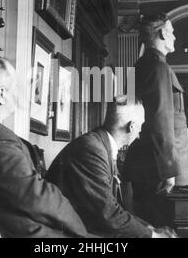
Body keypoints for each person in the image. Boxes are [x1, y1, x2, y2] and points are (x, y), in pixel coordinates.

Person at [0, 56, 88, 238]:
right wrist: (83, 235)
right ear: (1, 94)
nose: (19, 95)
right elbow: (37, 197)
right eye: (16, 88)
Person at [47, 96, 176, 238]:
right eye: (140, 126)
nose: (139, 134)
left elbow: (113, 210)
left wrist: (150, 229)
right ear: (131, 126)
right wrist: (153, 235)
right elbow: (107, 215)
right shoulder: (92, 150)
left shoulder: (99, 145)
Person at [122, 14, 188, 227]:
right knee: (163, 226)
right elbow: (160, 118)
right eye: (172, 32)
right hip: (159, 169)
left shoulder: (147, 64)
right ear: (162, 33)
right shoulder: (158, 66)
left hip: (154, 164)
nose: (174, 38)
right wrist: (168, 170)